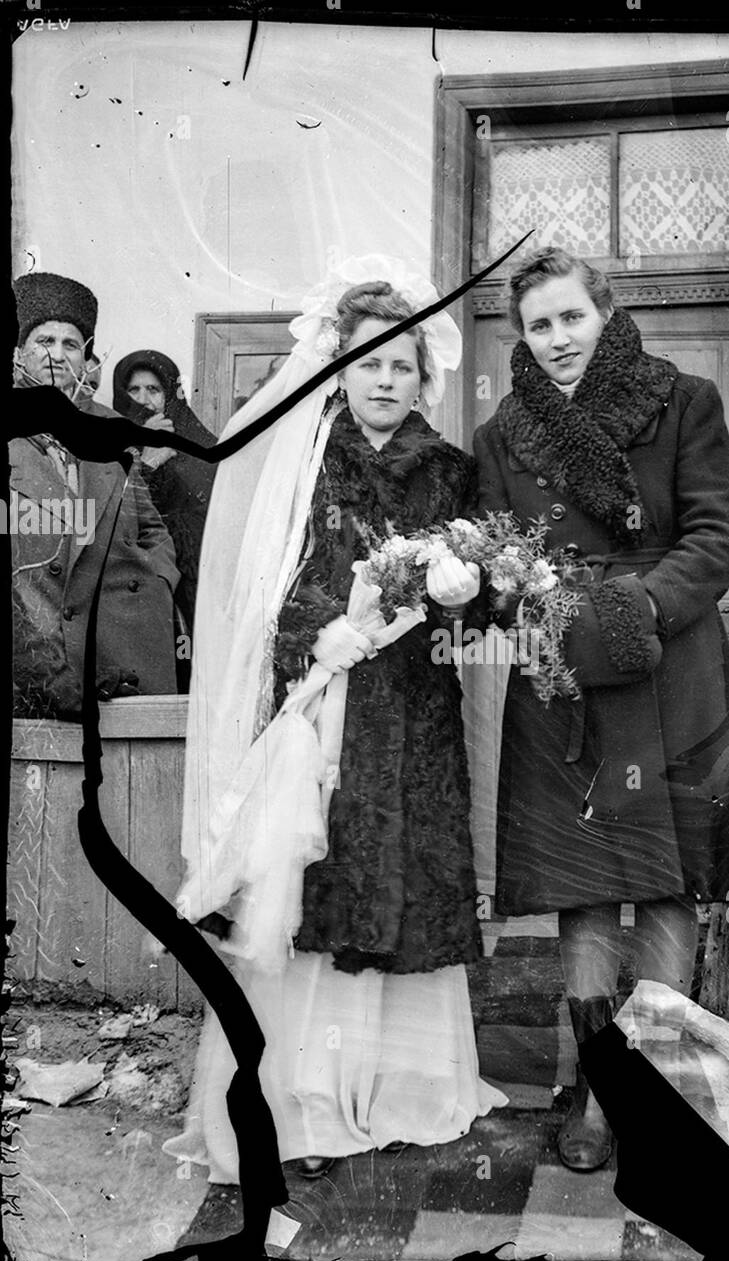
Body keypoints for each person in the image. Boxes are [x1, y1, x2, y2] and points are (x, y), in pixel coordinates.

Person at [165, 259, 504, 1185]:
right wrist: (332, 633)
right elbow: (265, 585)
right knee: (323, 887)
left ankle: (404, 1091)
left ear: (423, 376)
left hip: (419, 716)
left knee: (413, 876)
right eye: (367, 365)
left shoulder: (451, 471)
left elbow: (466, 600)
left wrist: (461, 589)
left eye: (401, 365)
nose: (385, 381)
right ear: (339, 370)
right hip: (327, 706)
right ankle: (301, 1103)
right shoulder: (303, 459)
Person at [473, 246, 729, 1172]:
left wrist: (638, 605)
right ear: (521, 337)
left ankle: (644, 1087)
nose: (558, 338)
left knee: (666, 880)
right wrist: (526, 604)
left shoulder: (681, 400)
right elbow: (496, 568)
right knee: (581, 890)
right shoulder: (502, 436)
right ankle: (593, 1086)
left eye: (571, 317)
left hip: (669, 665)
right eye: (539, 325)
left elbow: (717, 537)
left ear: (602, 314)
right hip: (563, 680)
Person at [10, 271, 180, 718]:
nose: (57, 356)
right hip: (42, 647)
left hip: (123, 637)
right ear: (18, 353)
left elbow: (150, 526)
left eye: (71, 345)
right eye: (44, 341)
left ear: (86, 360)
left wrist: (158, 581)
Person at [112, 350, 218, 643]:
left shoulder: (201, 444)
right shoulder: (105, 451)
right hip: (146, 589)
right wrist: (147, 462)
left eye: (153, 389)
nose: (144, 400)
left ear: (169, 395)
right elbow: (114, 519)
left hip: (205, 590)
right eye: (133, 390)